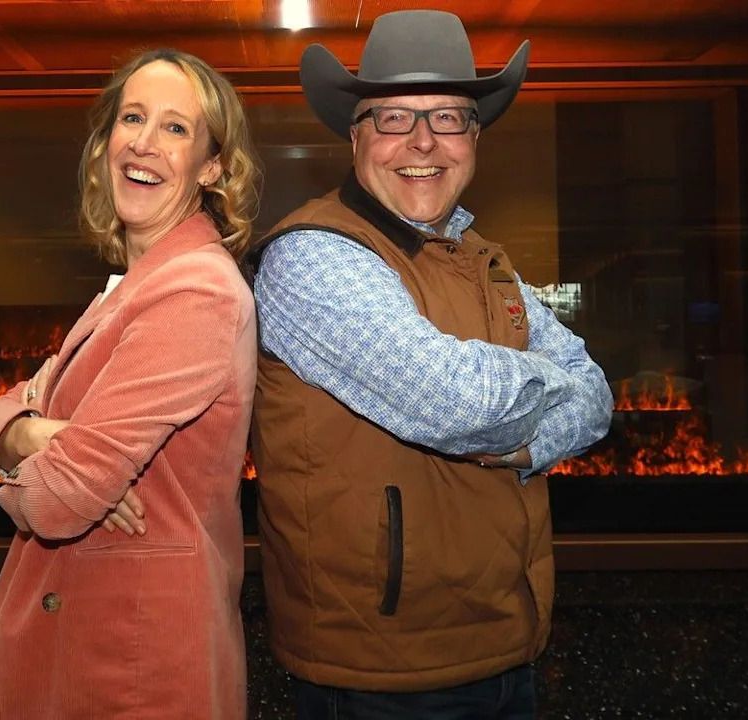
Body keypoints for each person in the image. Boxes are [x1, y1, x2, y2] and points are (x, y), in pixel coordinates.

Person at [249, 10, 614, 719]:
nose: (422, 142)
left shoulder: (484, 258)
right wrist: (536, 399)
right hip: (383, 672)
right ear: (354, 137)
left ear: (475, 139)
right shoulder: (313, 256)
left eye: (448, 116)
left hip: (509, 638)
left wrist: (522, 432)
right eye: (393, 119)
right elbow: (459, 405)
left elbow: (598, 397)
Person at [0, 48, 261, 720]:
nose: (145, 143)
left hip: (130, 669)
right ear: (106, 144)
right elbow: (5, 410)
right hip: (89, 642)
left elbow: (56, 502)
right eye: (133, 118)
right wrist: (27, 431)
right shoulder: (131, 287)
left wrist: (29, 457)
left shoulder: (197, 289)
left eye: (176, 128)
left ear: (212, 167)